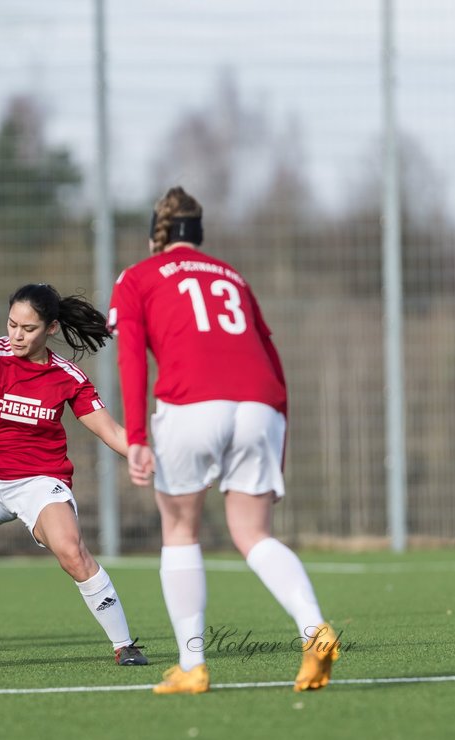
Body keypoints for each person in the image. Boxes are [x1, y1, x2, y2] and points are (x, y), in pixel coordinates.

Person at [109, 186, 341, 694]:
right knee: (254, 535)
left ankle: (192, 666)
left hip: (191, 403)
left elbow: (130, 358)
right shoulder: (232, 276)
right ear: (200, 234)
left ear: (156, 234)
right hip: (260, 405)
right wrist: (278, 436)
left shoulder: (137, 278)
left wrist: (138, 435)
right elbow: (272, 358)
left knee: (180, 530)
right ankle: (315, 630)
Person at [0, 284, 149, 667]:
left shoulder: (68, 377)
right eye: (12, 325)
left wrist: (157, 460)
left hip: (38, 483)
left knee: (71, 551)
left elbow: (113, 433)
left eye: (28, 328)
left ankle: (124, 644)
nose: (16, 336)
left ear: (51, 328)